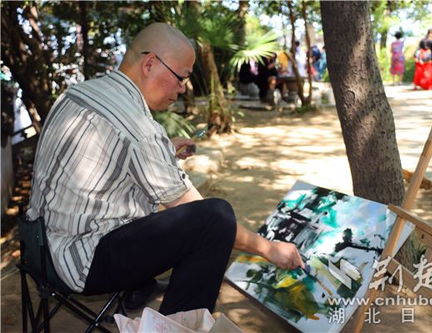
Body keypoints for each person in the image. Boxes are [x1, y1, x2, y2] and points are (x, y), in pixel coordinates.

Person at [26, 23, 304, 316]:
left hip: (40, 246)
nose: (182, 88)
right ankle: (180, 325)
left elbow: (101, 157)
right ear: (149, 64)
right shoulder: (140, 129)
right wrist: (269, 249)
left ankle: (139, 289)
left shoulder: (78, 93)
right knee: (214, 218)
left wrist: (164, 150)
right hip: (79, 261)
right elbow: (197, 211)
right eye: (181, 77)